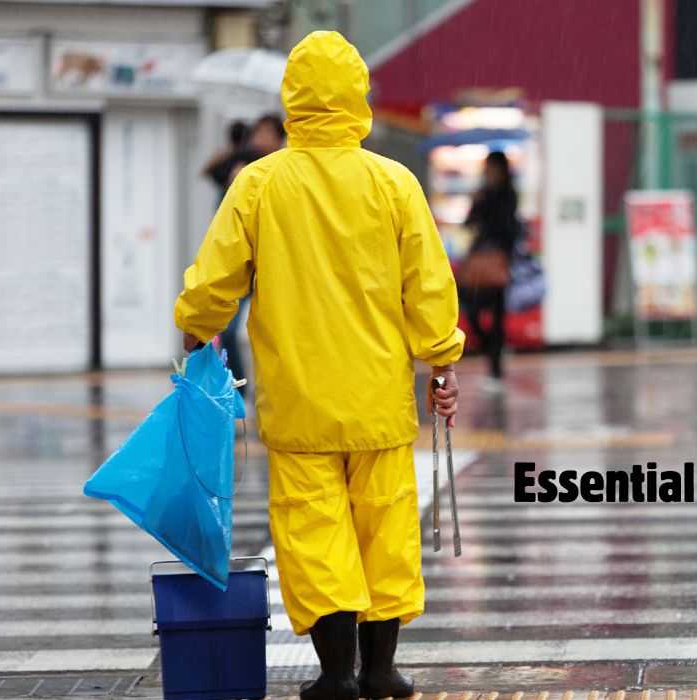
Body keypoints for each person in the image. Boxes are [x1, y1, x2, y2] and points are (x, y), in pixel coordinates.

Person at [174, 31, 463, 700]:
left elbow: (215, 279)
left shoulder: (260, 183)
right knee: (385, 529)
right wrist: (441, 361)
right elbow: (427, 286)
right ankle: (381, 669)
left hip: (299, 400)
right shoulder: (394, 182)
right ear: (359, 97)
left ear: (293, 100)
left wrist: (195, 329)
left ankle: (335, 675)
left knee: (314, 530)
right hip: (378, 398)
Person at [213, 114, 287, 397]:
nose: (261, 139)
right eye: (258, 132)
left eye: (268, 133)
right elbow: (224, 224)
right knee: (229, 330)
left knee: (275, 333)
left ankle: (270, 389)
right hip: (244, 265)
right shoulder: (241, 167)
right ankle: (238, 388)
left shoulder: (285, 171)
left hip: (274, 266)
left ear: (279, 139)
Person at [460, 150, 519, 383]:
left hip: (498, 263)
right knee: (469, 306)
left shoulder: (507, 194)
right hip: (479, 262)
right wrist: (477, 203)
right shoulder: (483, 192)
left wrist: (487, 202)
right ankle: (491, 350)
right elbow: (469, 223)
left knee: (497, 317)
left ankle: (495, 368)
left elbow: (507, 226)